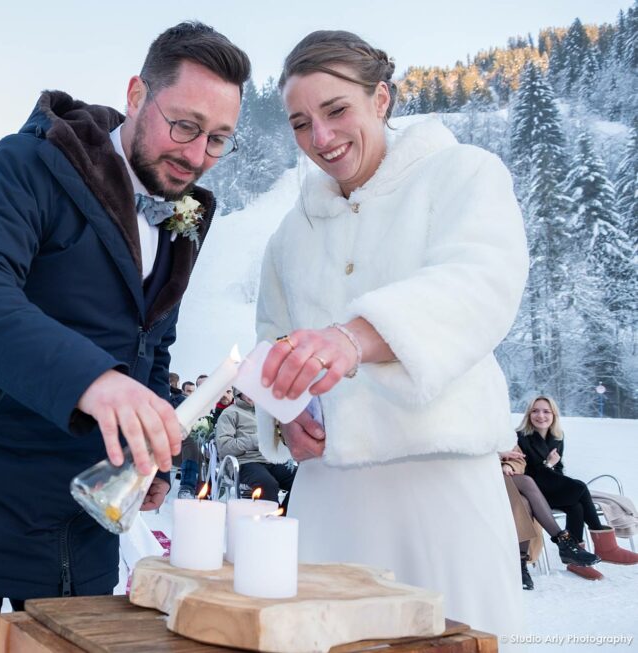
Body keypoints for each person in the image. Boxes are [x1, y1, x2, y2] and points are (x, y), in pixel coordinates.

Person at [0, 22, 250, 652]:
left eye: (218, 139)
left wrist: (147, 441)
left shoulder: (185, 215)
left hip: (82, 519)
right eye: (184, 126)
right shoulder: (33, 161)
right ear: (136, 94)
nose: (196, 154)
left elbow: (150, 341)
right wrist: (94, 382)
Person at [255, 31, 528, 634]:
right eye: (301, 123)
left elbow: (481, 283)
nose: (320, 139)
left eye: (336, 111)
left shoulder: (462, 174)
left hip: (441, 488)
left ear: (381, 98)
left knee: (452, 638)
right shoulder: (289, 235)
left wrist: (352, 338)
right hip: (330, 496)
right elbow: (273, 341)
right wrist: (284, 411)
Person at [515, 395, 638, 580]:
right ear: (529, 414)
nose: (541, 415)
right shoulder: (521, 437)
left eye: (546, 411)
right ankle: (605, 546)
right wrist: (549, 465)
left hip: (550, 486)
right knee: (580, 487)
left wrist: (553, 470)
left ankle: (576, 560)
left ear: (554, 415)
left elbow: (558, 470)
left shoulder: (557, 437)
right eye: (535, 411)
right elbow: (528, 474)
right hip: (533, 493)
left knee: (576, 506)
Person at [500, 446, 599, 589]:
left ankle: (520, 566)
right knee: (527, 481)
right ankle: (564, 543)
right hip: (479, 478)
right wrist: (498, 456)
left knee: (524, 502)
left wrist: (509, 464)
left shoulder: (502, 430)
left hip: (507, 479)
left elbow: (519, 459)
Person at [216, 389, 295, 509]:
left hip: (270, 460)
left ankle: (284, 516)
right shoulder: (230, 413)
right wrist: (255, 440)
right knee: (267, 483)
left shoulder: (267, 414)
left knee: (299, 479)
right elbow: (224, 447)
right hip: (244, 462)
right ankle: (269, 522)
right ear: (239, 392)